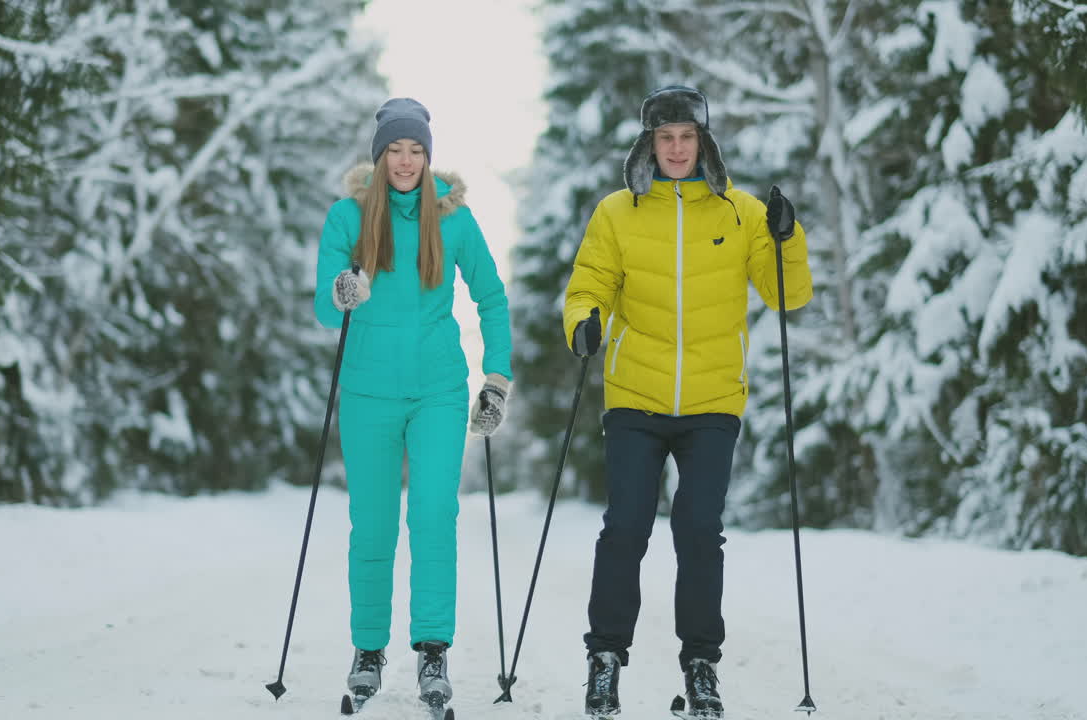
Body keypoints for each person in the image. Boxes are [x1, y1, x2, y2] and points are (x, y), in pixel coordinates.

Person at [562, 85, 813, 719]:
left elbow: (787, 294)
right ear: (648, 144)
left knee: (699, 530)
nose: (676, 149)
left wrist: (787, 237)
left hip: (713, 399)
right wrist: (583, 322)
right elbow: (589, 284)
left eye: (687, 137)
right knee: (626, 527)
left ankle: (701, 666)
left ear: (705, 142)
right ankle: (605, 659)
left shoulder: (741, 213)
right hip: (635, 397)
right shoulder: (617, 212)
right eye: (665, 138)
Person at [313, 97, 513, 711]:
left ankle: (432, 650)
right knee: (372, 524)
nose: (405, 161)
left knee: (432, 517)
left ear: (429, 157)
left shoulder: (454, 219)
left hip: (438, 391)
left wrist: (496, 378)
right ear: (379, 157)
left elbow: (491, 298)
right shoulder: (348, 217)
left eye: (416, 150)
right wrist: (344, 289)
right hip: (367, 391)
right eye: (395, 150)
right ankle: (368, 650)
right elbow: (325, 308)